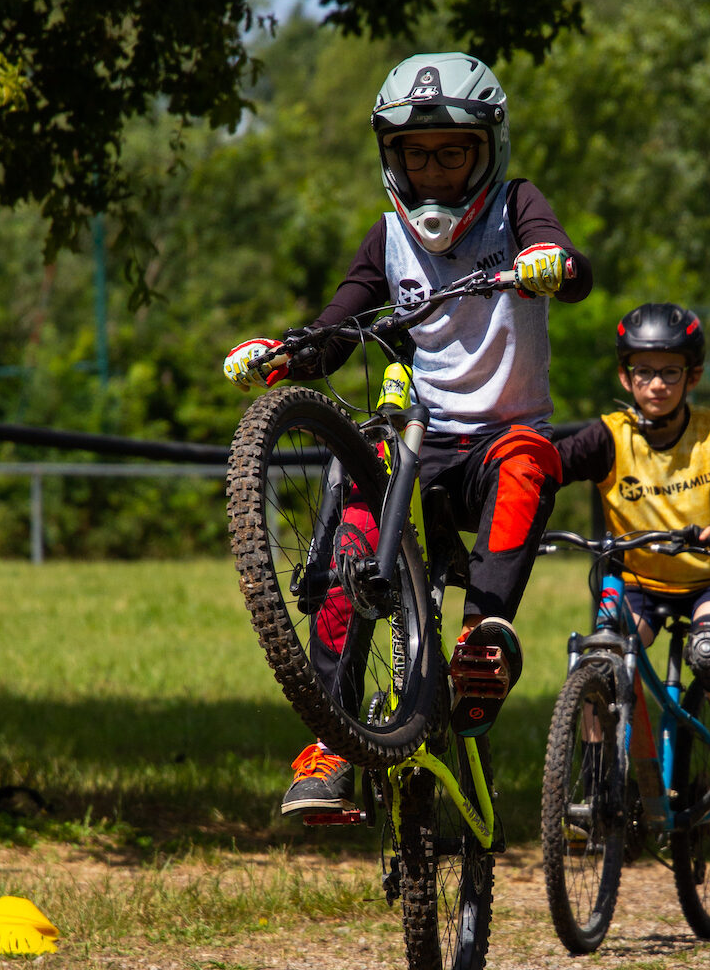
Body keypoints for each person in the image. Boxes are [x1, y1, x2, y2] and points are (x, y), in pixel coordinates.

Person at [224, 51, 593, 816]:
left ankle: (482, 639)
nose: (434, 173)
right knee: (350, 553)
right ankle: (331, 742)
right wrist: (286, 353)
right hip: (420, 448)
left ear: (486, 150)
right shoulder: (387, 239)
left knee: (530, 459)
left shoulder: (515, 204)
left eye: (452, 153)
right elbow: (339, 326)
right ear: (392, 157)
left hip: (499, 440)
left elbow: (566, 259)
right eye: (416, 155)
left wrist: (550, 263)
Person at [555, 303, 710, 809]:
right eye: (644, 371)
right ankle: (597, 790)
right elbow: (553, 466)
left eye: (670, 372)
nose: (656, 384)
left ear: (692, 375)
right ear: (625, 375)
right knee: (600, 669)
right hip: (641, 586)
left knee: (708, 654)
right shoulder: (609, 435)